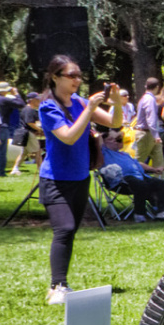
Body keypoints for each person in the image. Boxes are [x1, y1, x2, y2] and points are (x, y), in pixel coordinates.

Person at [38, 56, 123, 304]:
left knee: (70, 231)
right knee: (63, 229)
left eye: (79, 75)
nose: (77, 80)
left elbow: (116, 122)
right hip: (55, 179)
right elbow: (68, 137)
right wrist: (88, 110)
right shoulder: (48, 107)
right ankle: (57, 287)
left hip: (79, 177)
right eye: (71, 75)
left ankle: (61, 283)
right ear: (55, 77)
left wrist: (116, 102)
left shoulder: (80, 102)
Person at [99, 128, 164, 219]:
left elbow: (138, 163)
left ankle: (163, 211)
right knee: (140, 185)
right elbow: (98, 139)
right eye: (110, 139)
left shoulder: (125, 154)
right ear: (104, 143)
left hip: (139, 177)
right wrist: (110, 133)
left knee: (163, 184)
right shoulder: (103, 153)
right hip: (121, 180)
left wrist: (153, 169)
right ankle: (139, 213)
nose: (115, 141)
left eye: (116, 139)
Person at [0, 81, 23, 176]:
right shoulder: (4, 100)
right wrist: (16, 94)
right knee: (2, 150)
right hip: (2, 126)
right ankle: (0, 172)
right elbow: (21, 104)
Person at [131, 77, 162, 166]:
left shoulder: (144, 98)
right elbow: (151, 118)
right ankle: (132, 177)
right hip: (147, 134)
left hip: (149, 133)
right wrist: (156, 135)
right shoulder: (150, 99)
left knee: (159, 159)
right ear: (157, 87)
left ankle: (160, 178)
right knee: (139, 160)